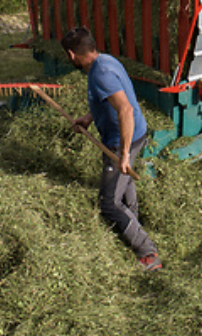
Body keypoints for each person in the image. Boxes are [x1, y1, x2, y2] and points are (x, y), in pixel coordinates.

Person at [61, 26, 163, 272]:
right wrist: (88, 118)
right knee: (124, 187)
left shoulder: (100, 74)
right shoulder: (105, 62)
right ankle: (132, 227)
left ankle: (148, 253)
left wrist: (124, 154)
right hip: (133, 134)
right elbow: (109, 101)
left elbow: (125, 110)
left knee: (109, 202)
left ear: (71, 55)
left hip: (121, 141)